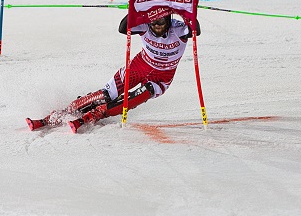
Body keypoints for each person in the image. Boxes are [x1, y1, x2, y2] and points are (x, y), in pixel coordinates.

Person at [26, 13, 201, 133]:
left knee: (137, 96)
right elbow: (123, 27)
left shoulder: (179, 29)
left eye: (161, 23)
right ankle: (52, 117)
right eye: (154, 23)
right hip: (138, 67)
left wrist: (184, 11)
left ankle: (90, 117)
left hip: (161, 78)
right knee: (106, 94)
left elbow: (196, 29)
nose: (156, 27)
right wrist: (134, 10)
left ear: (168, 21)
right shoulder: (145, 26)